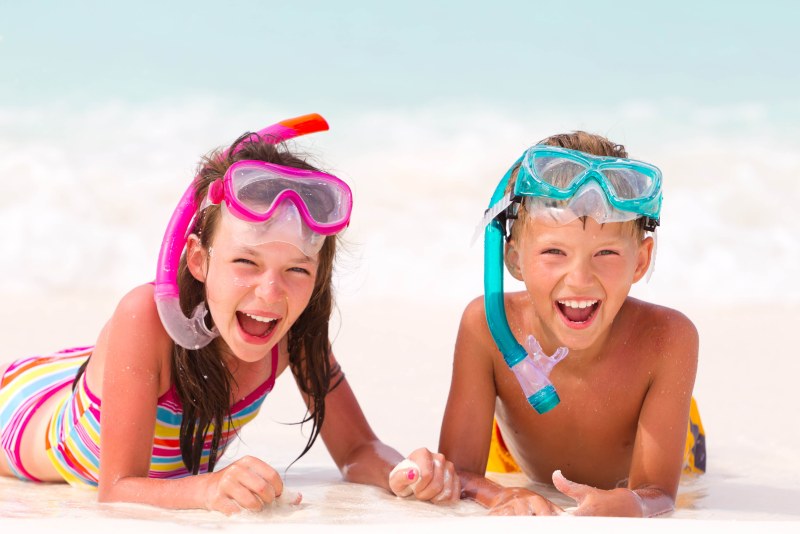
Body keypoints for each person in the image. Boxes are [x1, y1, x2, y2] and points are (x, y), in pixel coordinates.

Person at [0, 113, 459, 514]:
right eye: (245, 263)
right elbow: (116, 490)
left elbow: (358, 448)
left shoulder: (295, 334)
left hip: (104, 371)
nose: (270, 293)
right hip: (26, 411)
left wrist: (403, 473)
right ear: (199, 260)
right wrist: (209, 488)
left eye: (296, 269)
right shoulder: (146, 317)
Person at [439, 131, 705, 517]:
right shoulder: (485, 328)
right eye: (554, 252)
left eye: (606, 252)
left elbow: (658, 495)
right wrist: (501, 495)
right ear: (513, 257)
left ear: (641, 261)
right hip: (513, 458)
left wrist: (634, 502)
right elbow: (459, 474)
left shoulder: (667, 340)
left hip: (681, 448)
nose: (579, 278)